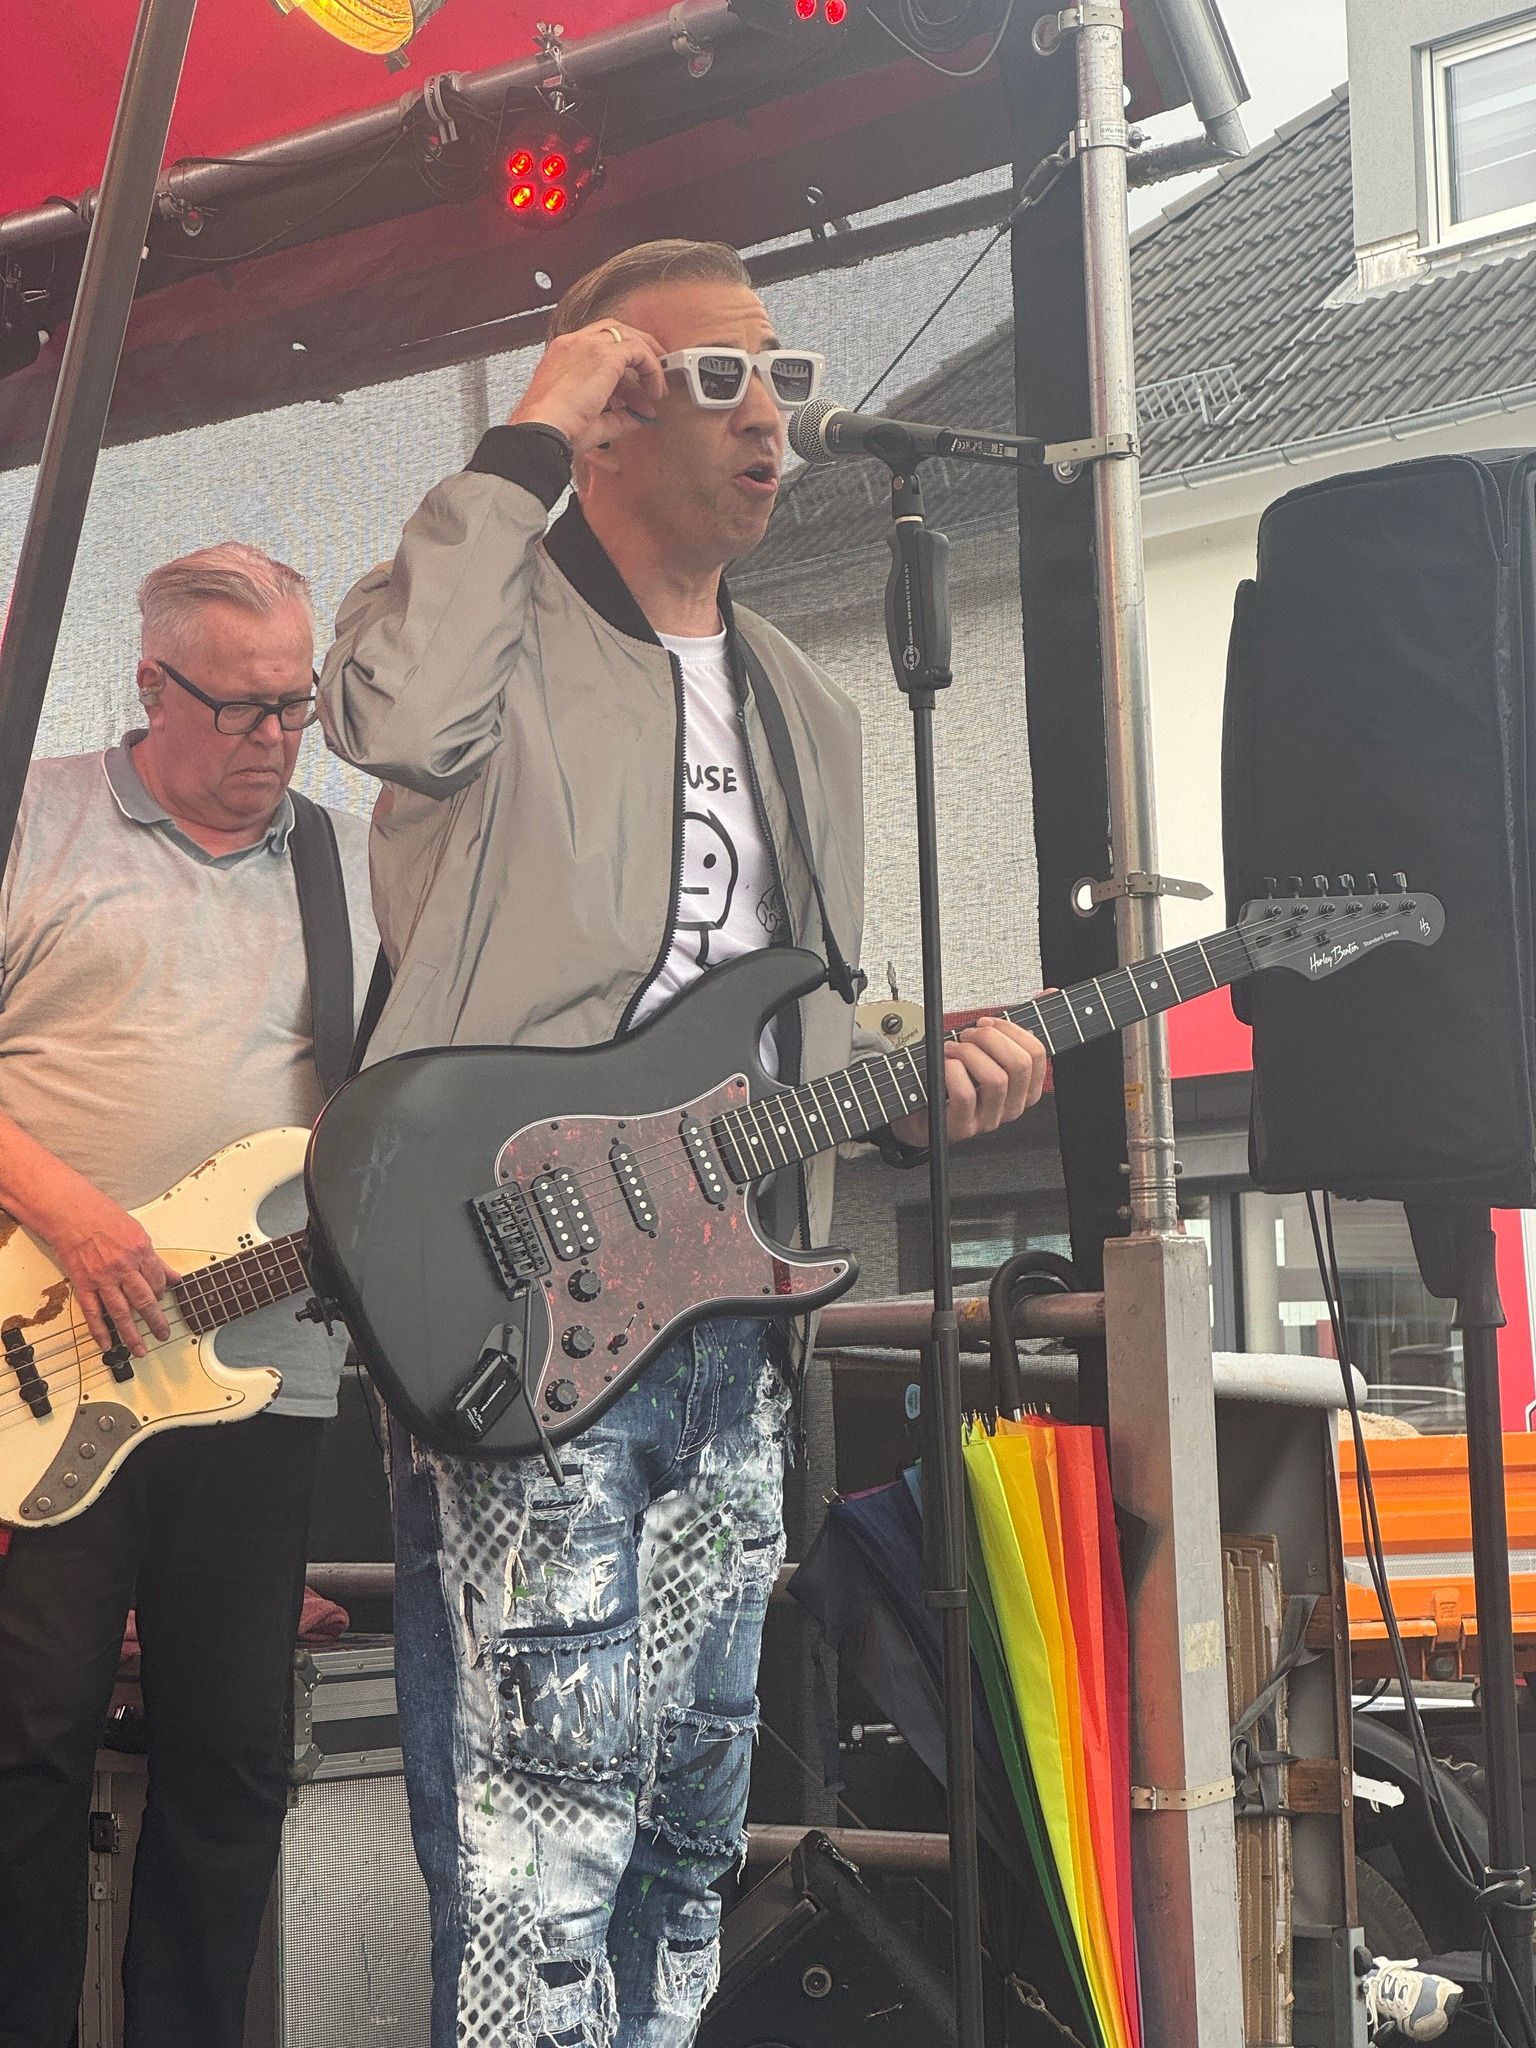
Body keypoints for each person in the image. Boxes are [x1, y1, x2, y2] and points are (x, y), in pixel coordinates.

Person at [319, 238, 1048, 2048]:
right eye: (716, 378)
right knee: (536, 1844)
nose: (771, 417)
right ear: (617, 406)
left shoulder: (809, 703)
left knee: (689, 1836)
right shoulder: (484, 628)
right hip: (523, 1293)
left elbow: (787, 1014)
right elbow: (390, 718)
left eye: (784, 376)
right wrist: (528, 434)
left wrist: (917, 1081)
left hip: (731, 1312)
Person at [0, 543, 377, 2048]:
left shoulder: (345, 867)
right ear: (150, 684)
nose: (275, 739)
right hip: (44, 1357)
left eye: (298, 703)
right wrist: (75, 1217)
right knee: (28, 1746)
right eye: (239, 708)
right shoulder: (29, 817)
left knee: (231, 1759)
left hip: (263, 1369)